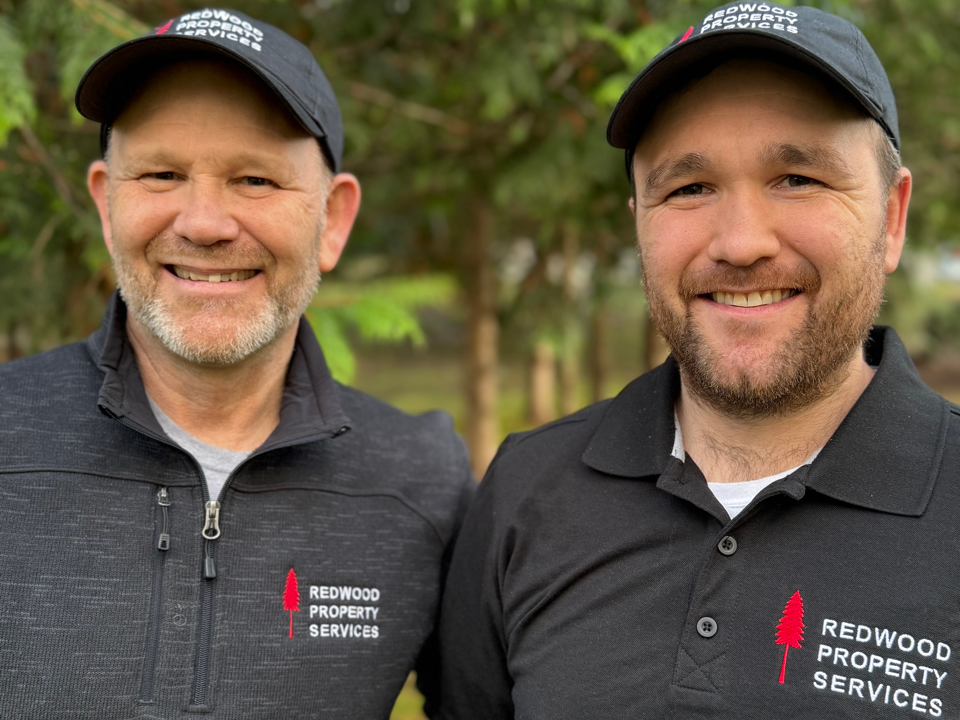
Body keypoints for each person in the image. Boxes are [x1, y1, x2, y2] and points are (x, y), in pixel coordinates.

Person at [437, 3, 959, 718]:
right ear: (640, 226)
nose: (742, 243)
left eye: (798, 178)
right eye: (689, 189)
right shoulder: (527, 489)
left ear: (892, 219)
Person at [0, 8, 474, 718]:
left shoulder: (422, 482)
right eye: (161, 174)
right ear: (106, 205)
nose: (204, 223)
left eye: (254, 180)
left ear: (333, 221)